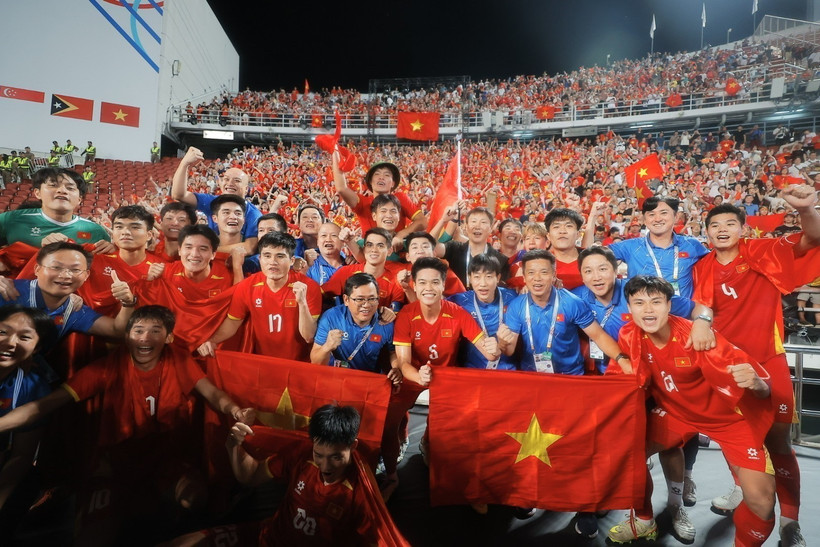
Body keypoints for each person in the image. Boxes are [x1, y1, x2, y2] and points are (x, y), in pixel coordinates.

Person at [0, 305, 253, 544]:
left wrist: (234, 409)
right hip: (113, 463)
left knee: (194, 499)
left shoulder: (178, 359)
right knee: (91, 539)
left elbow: (212, 394)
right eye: (138, 330)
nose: (145, 338)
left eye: (155, 331)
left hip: (167, 459)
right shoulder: (107, 367)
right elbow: (44, 406)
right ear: (127, 336)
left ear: (168, 338)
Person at [607, 276, 776, 547]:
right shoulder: (629, 334)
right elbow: (621, 381)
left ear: (669, 305)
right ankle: (646, 520)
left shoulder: (694, 335)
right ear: (629, 306)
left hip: (727, 420)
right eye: (639, 303)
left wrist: (756, 383)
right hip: (674, 413)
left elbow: (763, 386)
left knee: (762, 501)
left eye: (656, 302)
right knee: (626, 453)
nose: (648, 310)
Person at [694, 192, 820, 547]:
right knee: (737, 437)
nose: (722, 230)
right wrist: (702, 321)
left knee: (778, 441)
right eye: (714, 225)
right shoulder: (703, 265)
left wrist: (807, 208)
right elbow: (703, 307)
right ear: (707, 232)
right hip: (726, 366)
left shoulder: (762, 251)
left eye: (730, 223)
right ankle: (743, 489)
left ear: (743, 228)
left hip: (768, 361)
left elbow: (814, 239)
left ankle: (790, 521)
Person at [172, 404, 384, 546]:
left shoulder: (361, 491)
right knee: (183, 543)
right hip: (265, 536)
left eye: (336, 457)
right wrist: (233, 448)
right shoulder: (301, 456)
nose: (325, 466)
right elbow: (251, 475)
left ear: (353, 446)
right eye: (319, 455)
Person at [390, 257, 499, 497]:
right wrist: (418, 376)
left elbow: (488, 351)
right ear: (414, 286)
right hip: (414, 374)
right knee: (391, 415)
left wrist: (495, 347)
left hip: (447, 377)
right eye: (422, 282)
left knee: (445, 425)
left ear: (443, 286)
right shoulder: (406, 315)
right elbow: (403, 362)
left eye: (435, 282)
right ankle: (389, 472)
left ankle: (427, 443)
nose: (428, 288)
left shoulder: (457, 314)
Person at [572, 246, 716, 373]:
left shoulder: (639, 291)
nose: (596, 277)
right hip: (606, 370)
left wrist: (702, 324)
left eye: (603, 269)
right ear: (582, 276)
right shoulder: (576, 298)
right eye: (588, 271)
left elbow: (701, 310)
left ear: (616, 270)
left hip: (649, 368)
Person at [497, 250, 627, 376]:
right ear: (524, 277)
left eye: (544, 272)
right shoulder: (516, 306)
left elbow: (598, 335)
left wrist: (622, 359)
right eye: (531, 273)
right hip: (532, 375)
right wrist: (502, 343)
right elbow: (509, 351)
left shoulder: (572, 302)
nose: (537, 278)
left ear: (554, 275)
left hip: (570, 376)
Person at [198, 232, 321, 362]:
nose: (273, 262)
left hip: (300, 364)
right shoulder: (247, 286)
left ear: (291, 261)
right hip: (262, 363)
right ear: (260, 259)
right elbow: (233, 323)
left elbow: (309, 336)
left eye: (280, 256)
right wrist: (211, 340)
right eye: (267, 256)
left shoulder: (309, 287)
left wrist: (302, 302)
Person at [0, 242, 136, 342]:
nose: (65, 275)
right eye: (56, 267)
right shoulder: (8, 292)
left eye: (75, 270)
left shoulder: (73, 309)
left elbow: (116, 330)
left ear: (86, 275)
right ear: (37, 269)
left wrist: (128, 303)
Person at [0, 306, 57, 534]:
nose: (11, 343)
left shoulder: (32, 387)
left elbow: (22, 455)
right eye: (3, 332)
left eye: (24, 337)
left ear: (37, 348)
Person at [608, 197, 709, 299]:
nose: (657, 219)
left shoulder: (692, 245)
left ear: (676, 216)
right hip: (645, 312)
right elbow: (593, 256)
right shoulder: (629, 246)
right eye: (651, 214)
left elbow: (718, 263)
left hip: (683, 313)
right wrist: (592, 218)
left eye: (663, 213)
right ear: (644, 219)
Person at [311, 272, 400, 377]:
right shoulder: (331, 318)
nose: (366, 305)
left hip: (368, 380)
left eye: (372, 299)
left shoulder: (386, 321)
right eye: (359, 299)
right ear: (346, 300)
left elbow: (393, 352)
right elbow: (315, 362)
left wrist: (396, 368)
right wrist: (327, 347)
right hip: (335, 378)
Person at [332, 152, 426, 249]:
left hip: (397, 252)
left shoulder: (400, 198)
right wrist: (335, 153)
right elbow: (341, 188)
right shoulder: (362, 202)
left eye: (386, 175)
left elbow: (422, 221)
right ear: (370, 182)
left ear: (393, 183)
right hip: (370, 255)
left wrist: (401, 234)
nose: (381, 177)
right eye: (377, 174)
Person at [171, 146, 261, 245]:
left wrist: (209, 250)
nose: (230, 183)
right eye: (226, 179)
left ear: (246, 189)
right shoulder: (212, 201)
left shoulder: (254, 214)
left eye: (237, 181)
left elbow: (249, 248)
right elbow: (179, 195)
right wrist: (185, 163)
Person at [0, 167, 109, 247]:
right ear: (38, 193)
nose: (62, 191)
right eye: (53, 185)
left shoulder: (95, 230)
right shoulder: (11, 219)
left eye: (70, 188)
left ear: (79, 199)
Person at [448, 254, 518, 370]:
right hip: (473, 371)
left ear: (498, 277)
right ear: (469, 278)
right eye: (477, 277)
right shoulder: (459, 301)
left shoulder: (513, 297)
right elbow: (432, 306)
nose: (483, 283)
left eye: (489, 276)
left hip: (507, 370)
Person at [321, 228, 405, 310]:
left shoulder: (395, 281)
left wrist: (389, 314)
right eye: (369, 245)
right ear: (364, 249)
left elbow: (396, 311)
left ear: (389, 251)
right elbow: (319, 294)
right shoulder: (346, 272)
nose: (374, 250)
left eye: (380, 245)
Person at [443, 207, 510, 287]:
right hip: (455, 299)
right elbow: (430, 247)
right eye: (473, 221)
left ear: (491, 228)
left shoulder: (501, 260)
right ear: (466, 226)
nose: (477, 226)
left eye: (483, 222)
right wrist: (443, 221)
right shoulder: (454, 249)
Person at [395, 231, 465, 303]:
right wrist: (406, 288)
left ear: (434, 253)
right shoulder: (401, 275)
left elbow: (463, 301)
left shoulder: (447, 274)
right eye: (415, 247)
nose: (420, 251)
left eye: (425, 246)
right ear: (408, 256)